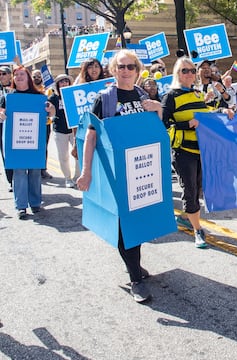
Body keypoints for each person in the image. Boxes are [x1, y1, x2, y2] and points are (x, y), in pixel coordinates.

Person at [77, 50, 163, 303]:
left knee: (139, 218)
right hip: (115, 171)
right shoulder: (105, 99)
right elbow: (91, 135)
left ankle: (135, 266)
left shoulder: (143, 95)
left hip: (140, 169)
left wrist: (158, 107)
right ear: (113, 70)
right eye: (121, 66)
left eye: (130, 67)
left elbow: (156, 130)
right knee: (124, 223)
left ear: (137, 71)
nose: (125, 71)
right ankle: (135, 278)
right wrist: (86, 171)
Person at [162, 57, 235, 249]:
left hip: (202, 148)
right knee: (190, 189)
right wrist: (186, 125)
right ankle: (197, 230)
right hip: (183, 150)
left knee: (200, 186)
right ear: (177, 73)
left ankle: (187, 216)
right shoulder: (170, 96)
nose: (189, 74)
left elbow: (206, 113)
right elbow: (163, 125)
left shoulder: (196, 94)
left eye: (192, 71)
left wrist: (223, 111)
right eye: (184, 71)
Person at [0, 66, 55, 219]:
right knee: (19, 172)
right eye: (16, 75)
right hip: (16, 141)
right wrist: (1, 114)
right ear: (13, 79)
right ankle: (21, 206)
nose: (18, 76)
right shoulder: (8, 97)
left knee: (35, 171)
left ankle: (36, 203)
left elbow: (52, 113)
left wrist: (51, 109)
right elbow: (1, 112)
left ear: (28, 77)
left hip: (34, 140)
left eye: (21, 74)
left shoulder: (39, 96)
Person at [48, 74, 80, 188]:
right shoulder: (53, 98)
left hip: (73, 131)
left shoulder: (73, 95)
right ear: (57, 84)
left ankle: (77, 177)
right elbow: (50, 112)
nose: (64, 83)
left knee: (78, 154)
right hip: (59, 131)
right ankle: (68, 178)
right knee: (63, 156)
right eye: (62, 82)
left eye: (66, 81)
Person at [32, 69, 53, 179]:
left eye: (38, 76)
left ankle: (43, 169)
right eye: (34, 76)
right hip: (33, 124)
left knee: (44, 147)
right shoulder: (31, 90)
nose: (36, 78)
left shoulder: (47, 90)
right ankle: (34, 169)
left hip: (45, 124)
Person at [0, 66, 14, 191]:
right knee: (5, 154)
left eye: (4, 73)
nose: (1, 76)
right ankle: (11, 181)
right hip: (1, 125)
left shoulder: (16, 87)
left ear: (10, 75)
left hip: (15, 124)